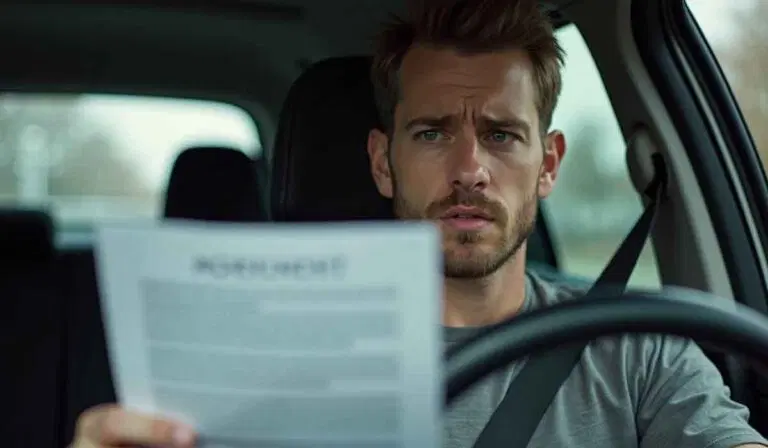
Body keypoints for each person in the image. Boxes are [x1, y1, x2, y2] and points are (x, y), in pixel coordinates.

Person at [70, 0, 768, 447]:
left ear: (549, 164)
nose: (470, 170)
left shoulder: (638, 348)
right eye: (433, 133)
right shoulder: (262, 366)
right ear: (384, 162)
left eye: (501, 134)